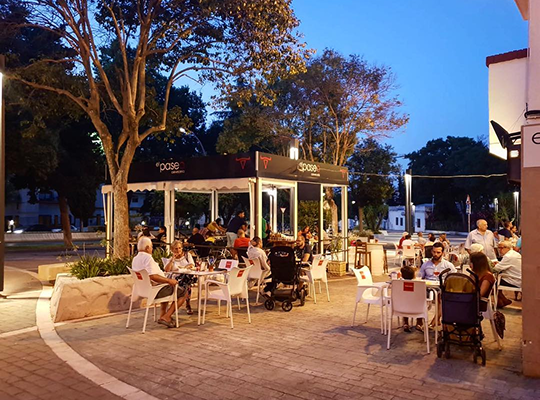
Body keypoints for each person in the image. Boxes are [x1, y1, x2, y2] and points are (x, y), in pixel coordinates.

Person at [131, 237, 188, 328]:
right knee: (184, 292)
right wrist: (169, 280)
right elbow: (153, 276)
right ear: (147, 248)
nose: (152, 249)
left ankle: (162, 314)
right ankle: (167, 316)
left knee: (166, 285)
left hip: (142, 290)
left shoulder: (135, 259)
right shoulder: (147, 258)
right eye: (151, 247)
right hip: (154, 291)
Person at [164, 240, 196, 315]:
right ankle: (186, 304)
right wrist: (172, 260)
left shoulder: (187, 255)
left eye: (179, 248)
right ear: (172, 250)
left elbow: (192, 265)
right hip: (175, 279)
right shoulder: (171, 259)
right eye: (176, 248)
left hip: (186, 276)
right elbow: (167, 270)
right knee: (187, 283)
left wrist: (184, 268)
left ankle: (184, 304)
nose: (178, 250)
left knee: (187, 279)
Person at [493, 240, 522, 307]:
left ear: (507, 248)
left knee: (492, 282)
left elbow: (496, 269)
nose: (499, 250)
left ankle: (503, 300)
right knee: (497, 280)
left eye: (501, 248)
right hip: (519, 278)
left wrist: (494, 264)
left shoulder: (508, 256)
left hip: (515, 280)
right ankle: (501, 302)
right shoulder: (515, 254)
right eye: (499, 248)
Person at [400, 265, 421, 332]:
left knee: (405, 303)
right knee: (421, 303)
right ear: (414, 275)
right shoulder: (418, 284)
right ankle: (419, 323)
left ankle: (406, 323)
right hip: (416, 308)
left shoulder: (399, 283)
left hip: (402, 308)